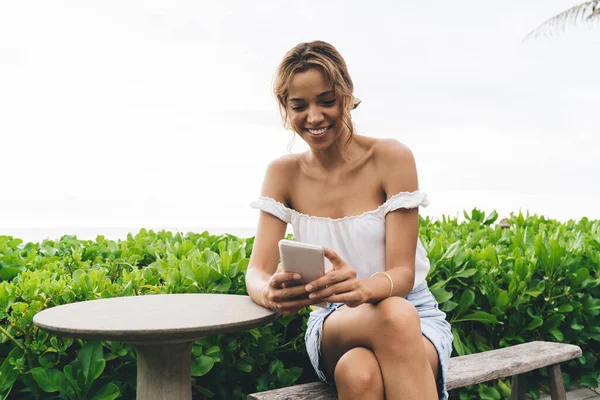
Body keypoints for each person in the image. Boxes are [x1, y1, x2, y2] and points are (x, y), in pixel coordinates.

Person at [246, 40, 453, 400]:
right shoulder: (283, 173)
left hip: (415, 314)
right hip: (333, 320)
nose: (314, 117)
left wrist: (363, 288)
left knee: (359, 372)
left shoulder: (391, 157)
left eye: (327, 101)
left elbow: (402, 274)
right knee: (393, 317)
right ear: (285, 108)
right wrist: (271, 292)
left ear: (347, 94)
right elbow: (256, 272)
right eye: (299, 106)